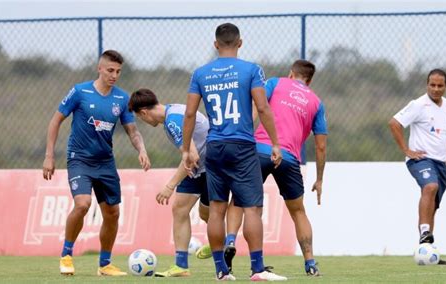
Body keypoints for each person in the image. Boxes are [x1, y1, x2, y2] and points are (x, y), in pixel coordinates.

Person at [181, 23, 287, 281]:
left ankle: (221, 271)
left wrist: (186, 149)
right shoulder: (251, 70)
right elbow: (262, 108)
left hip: (215, 146)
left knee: (216, 208)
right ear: (240, 43)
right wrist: (274, 143)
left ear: (215, 44)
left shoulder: (201, 73)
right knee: (251, 208)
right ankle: (257, 269)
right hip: (242, 145)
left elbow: (190, 113)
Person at [42, 50, 151, 276]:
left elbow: (132, 130)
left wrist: (141, 149)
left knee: (112, 213)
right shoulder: (80, 92)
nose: (114, 75)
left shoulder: (121, 98)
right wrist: (49, 156)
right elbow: (55, 121)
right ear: (99, 68)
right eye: (110, 70)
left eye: (118, 71)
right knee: (82, 204)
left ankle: (104, 264)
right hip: (79, 159)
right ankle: (66, 255)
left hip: (105, 162)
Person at [226, 60, 327, 276]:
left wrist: (242, 133)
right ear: (309, 80)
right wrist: (319, 179)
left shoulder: (275, 83)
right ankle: (310, 264)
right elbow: (320, 146)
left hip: (260, 150)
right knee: (298, 211)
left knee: (240, 199)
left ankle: (230, 241)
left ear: (291, 74)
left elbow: (256, 107)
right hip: (289, 159)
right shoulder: (317, 103)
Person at [128, 88, 212, 277]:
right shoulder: (174, 110)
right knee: (180, 209)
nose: (145, 122)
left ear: (144, 112)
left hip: (212, 167)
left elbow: (192, 156)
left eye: (141, 119)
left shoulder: (173, 121)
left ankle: (221, 246)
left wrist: (169, 186)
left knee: (207, 215)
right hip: (198, 168)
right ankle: (181, 266)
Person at [389, 68, 446, 265]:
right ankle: (424, 232)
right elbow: (394, 123)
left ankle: (428, 251)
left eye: (440, 85)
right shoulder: (418, 105)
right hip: (419, 159)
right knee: (430, 187)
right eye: (432, 85)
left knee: (433, 207)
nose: (436, 89)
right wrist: (406, 149)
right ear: (427, 85)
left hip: (440, 163)